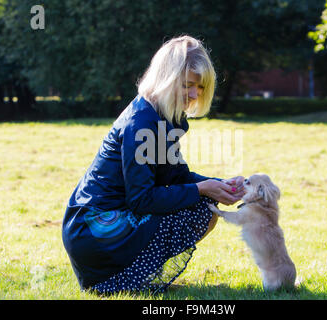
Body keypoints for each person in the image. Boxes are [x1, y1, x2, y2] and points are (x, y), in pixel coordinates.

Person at [62, 35, 245, 295]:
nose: (194, 95)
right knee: (201, 210)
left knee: (203, 204)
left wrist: (219, 185)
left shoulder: (162, 116)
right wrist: (203, 189)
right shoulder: (142, 122)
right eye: (187, 85)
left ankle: (132, 279)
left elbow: (178, 176)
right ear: (166, 79)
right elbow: (142, 199)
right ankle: (123, 281)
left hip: (102, 226)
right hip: (94, 228)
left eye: (201, 87)